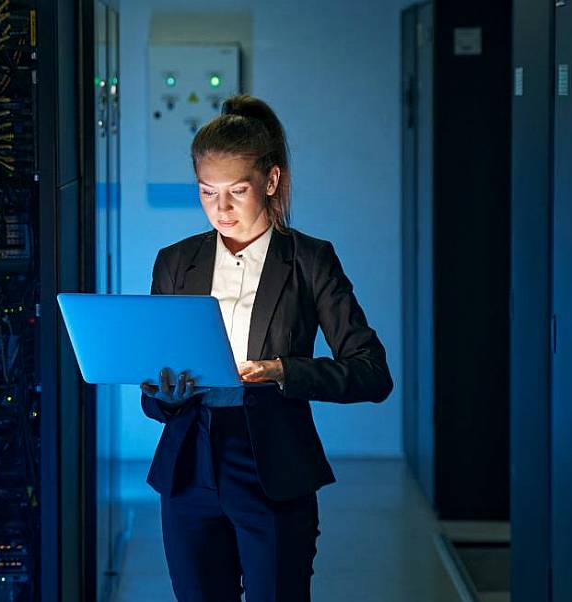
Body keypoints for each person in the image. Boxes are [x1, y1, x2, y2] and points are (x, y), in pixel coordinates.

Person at [139, 94, 393, 602]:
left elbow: (371, 373)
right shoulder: (175, 261)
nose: (222, 208)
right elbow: (153, 398)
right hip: (189, 466)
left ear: (270, 182)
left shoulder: (309, 261)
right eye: (207, 193)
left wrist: (284, 370)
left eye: (237, 191)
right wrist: (166, 393)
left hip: (272, 464)